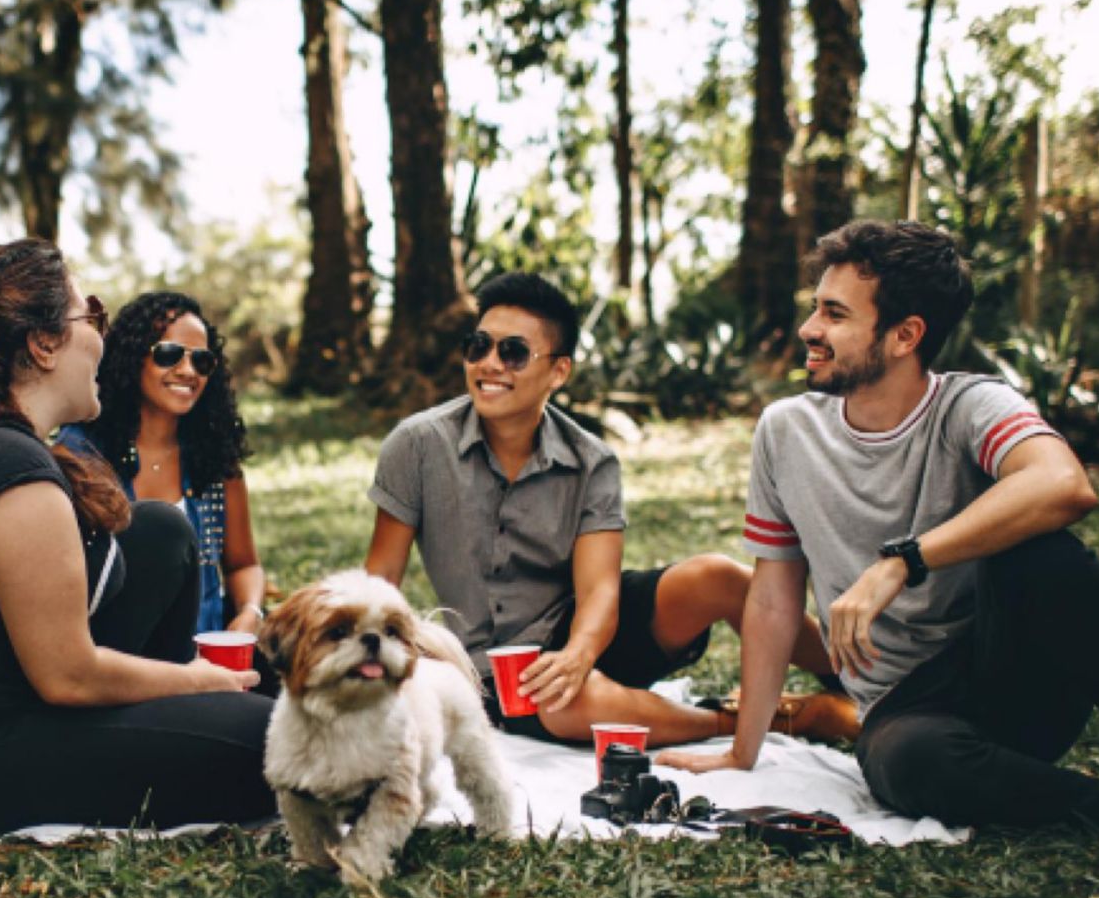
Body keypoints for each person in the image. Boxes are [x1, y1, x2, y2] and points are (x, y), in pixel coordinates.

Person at [658, 220, 1099, 861]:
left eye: (835, 315)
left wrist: (904, 560)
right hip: (907, 712)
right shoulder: (786, 431)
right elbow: (775, 601)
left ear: (905, 335)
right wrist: (742, 752)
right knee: (907, 766)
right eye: (817, 307)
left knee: (1043, 551)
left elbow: (1064, 485)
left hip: (1016, 675)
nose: (809, 328)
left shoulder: (971, 404)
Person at [0, 240, 275, 833]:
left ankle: (187, 714)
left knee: (161, 531)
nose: (101, 336)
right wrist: (199, 679)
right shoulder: (3, 468)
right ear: (42, 345)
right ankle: (196, 714)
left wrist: (198, 683)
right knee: (276, 742)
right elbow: (67, 676)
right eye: (89, 315)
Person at [363, 271, 853, 747]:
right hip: (496, 668)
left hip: (586, 629)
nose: (489, 364)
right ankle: (779, 719)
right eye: (478, 346)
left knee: (718, 577)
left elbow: (599, 589)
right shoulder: (418, 446)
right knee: (566, 703)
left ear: (558, 371)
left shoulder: (591, 460)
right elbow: (380, 577)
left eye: (511, 352)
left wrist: (578, 654)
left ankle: (856, 682)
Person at [58, 292, 265, 636]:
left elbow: (244, 564)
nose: (187, 371)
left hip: (208, 661)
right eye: (169, 355)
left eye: (201, 361)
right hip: (117, 663)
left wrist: (250, 613)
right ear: (132, 358)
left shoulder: (213, 457)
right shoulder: (82, 455)